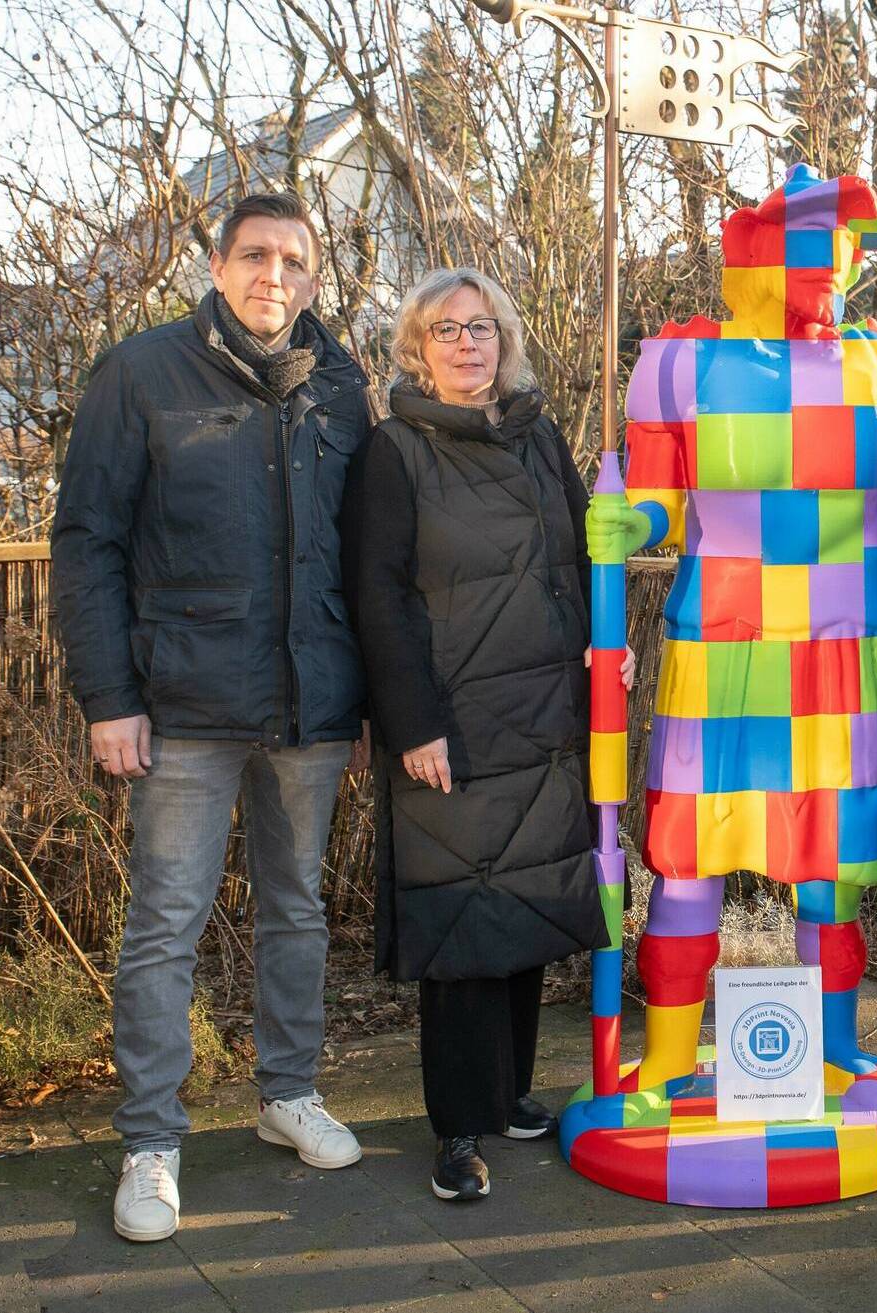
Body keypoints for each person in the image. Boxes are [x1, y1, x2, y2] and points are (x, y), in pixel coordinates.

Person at [52, 192, 372, 1243]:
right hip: (182, 705)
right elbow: (88, 540)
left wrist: (366, 690)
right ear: (217, 264)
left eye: (291, 258)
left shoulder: (340, 386)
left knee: (295, 908)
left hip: (309, 706)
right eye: (252, 255)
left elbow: (361, 549)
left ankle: (287, 1091)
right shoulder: (140, 373)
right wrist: (109, 698)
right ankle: (151, 1141)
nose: (270, 274)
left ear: (315, 277)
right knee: (165, 926)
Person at [349, 268, 615, 1203]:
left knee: (528, 903)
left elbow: (585, 552)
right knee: (462, 916)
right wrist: (410, 720)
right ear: (416, 350)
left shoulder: (538, 434)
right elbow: (378, 594)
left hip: (546, 708)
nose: (467, 344)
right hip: (452, 719)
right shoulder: (396, 450)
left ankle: (505, 1094)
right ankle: (457, 1127)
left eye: (481, 327)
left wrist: (603, 650)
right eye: (445, 330)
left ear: (504, 340)